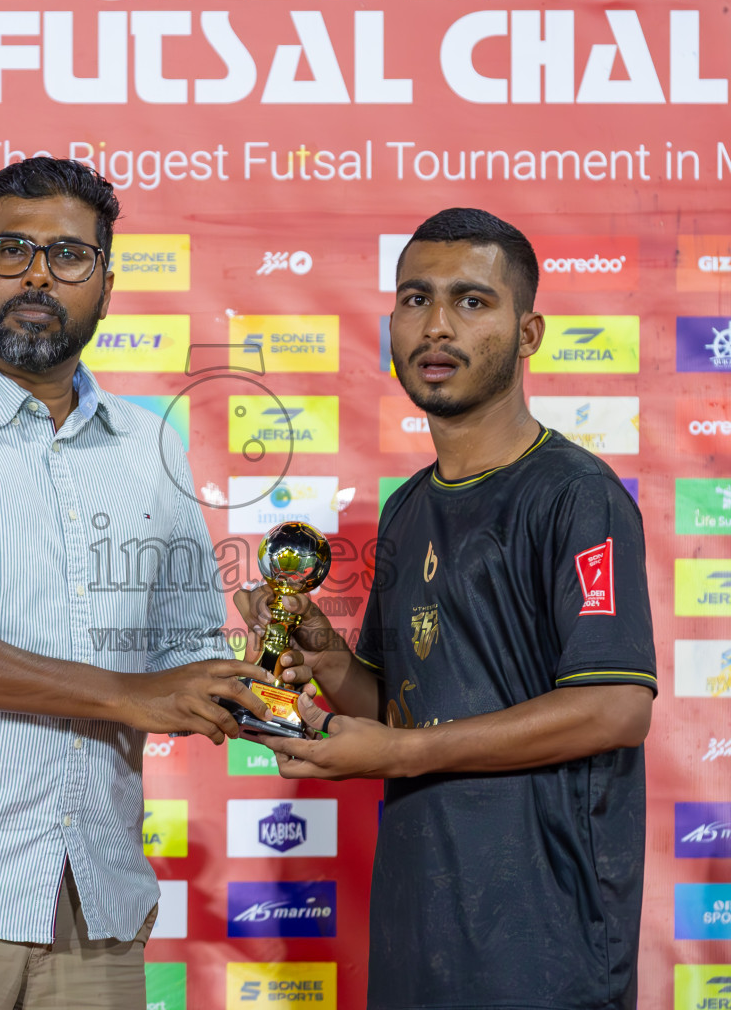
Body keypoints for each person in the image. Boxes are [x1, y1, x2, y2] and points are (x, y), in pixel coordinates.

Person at [0, 156, 273, 1010]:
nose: (37, 273)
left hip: (92, 904)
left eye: (68, 255)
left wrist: (270, 681)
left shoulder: (148, 445)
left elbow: (186, 654)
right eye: (10, 249)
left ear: (104, 285)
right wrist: (137, 694)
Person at [240, 208, 656, 1009]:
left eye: (472, 301)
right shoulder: (404, 510)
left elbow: (613, 709)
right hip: (415, 931)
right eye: (415, 299)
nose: (437, 325)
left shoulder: (577, 496)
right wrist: (328, 662)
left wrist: (395, 755)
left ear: (527, 333)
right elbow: (400, 710)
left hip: (544, 945)